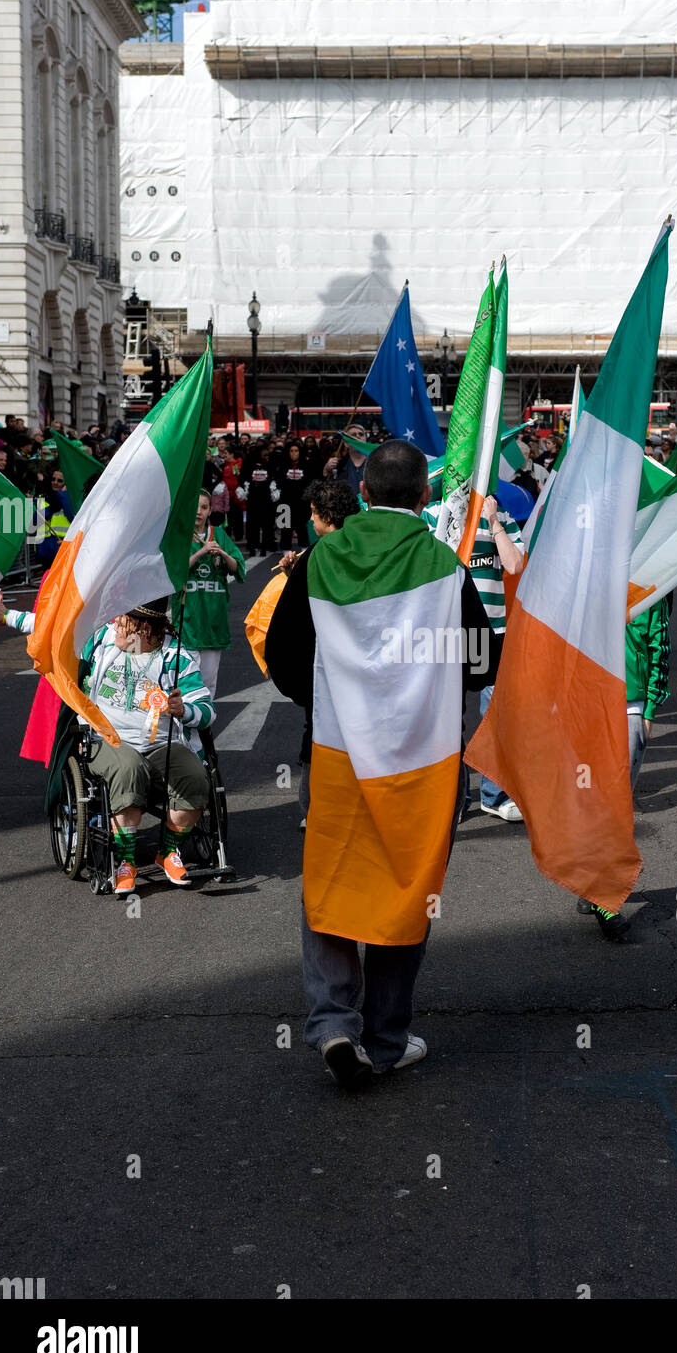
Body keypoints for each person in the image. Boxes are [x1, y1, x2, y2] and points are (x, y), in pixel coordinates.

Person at [266, 440, 499, 1090]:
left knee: (332, 880)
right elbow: (482, 662)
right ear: (423, 496)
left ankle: (333, 1023)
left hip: (336, 752)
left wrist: (332, 698)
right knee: (407, 889)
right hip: (422, 762)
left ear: (361, 492)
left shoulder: (320, 557)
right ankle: (386, 1038)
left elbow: (283, 655)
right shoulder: (444, 569)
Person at [78, 599, 215, 895]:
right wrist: (8, 615)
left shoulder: (174, 656)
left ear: (142, 630)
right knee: (129, 767)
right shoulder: (102, 639)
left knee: (193, 776)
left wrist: (183, 709)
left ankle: (167, 850)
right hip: (107, 739)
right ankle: (126, 862)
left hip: (159, 742)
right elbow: (53, 627)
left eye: (123, 623)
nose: (115, 625)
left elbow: (206, 709)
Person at [258, 478, 361, 826]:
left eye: (314, 515)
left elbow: (295, 619)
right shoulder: (364, 546)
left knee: (317, 737)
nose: (311, 522)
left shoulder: (317, 554)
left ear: (327, 516)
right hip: (363, 666)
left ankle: (314, 810)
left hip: (325, 667)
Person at [422, 492, 525, 821]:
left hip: (491, 632)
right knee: (448, 718)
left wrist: (494, 521)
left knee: (496, 716)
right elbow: (427, 564)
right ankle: (452, 796)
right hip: (450, 630)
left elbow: (515, 564)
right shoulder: (434, 512)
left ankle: (493, 796)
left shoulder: (501, 512)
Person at [578, 599, 670, 939]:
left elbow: (659, 642)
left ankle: (603, 895)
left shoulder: (653, 580)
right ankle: (591, 882)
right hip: (587, 705)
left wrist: (649, 709)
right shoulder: (589, 574)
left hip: (629, 708)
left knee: (615, 806)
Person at [170, 490, 245, 699]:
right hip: (187, 623)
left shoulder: (219, 534)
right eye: (195, 507)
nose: (198, 512)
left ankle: (204, 724)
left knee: (209, 680)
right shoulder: (180, 536)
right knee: (185, 678)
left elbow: (237, 568)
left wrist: (222, 553)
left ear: (210, 510)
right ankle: (186, 724)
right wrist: (202, 552)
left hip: (214, 622)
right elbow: (175, 571)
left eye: (204, 507)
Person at [324, 423, 367, 493]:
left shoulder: (374, 463)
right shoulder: (338, 465)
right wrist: (326, 470)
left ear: (365, 440)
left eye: (361, 434)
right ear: (346, 443)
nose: (358, 436)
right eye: (353, 435)